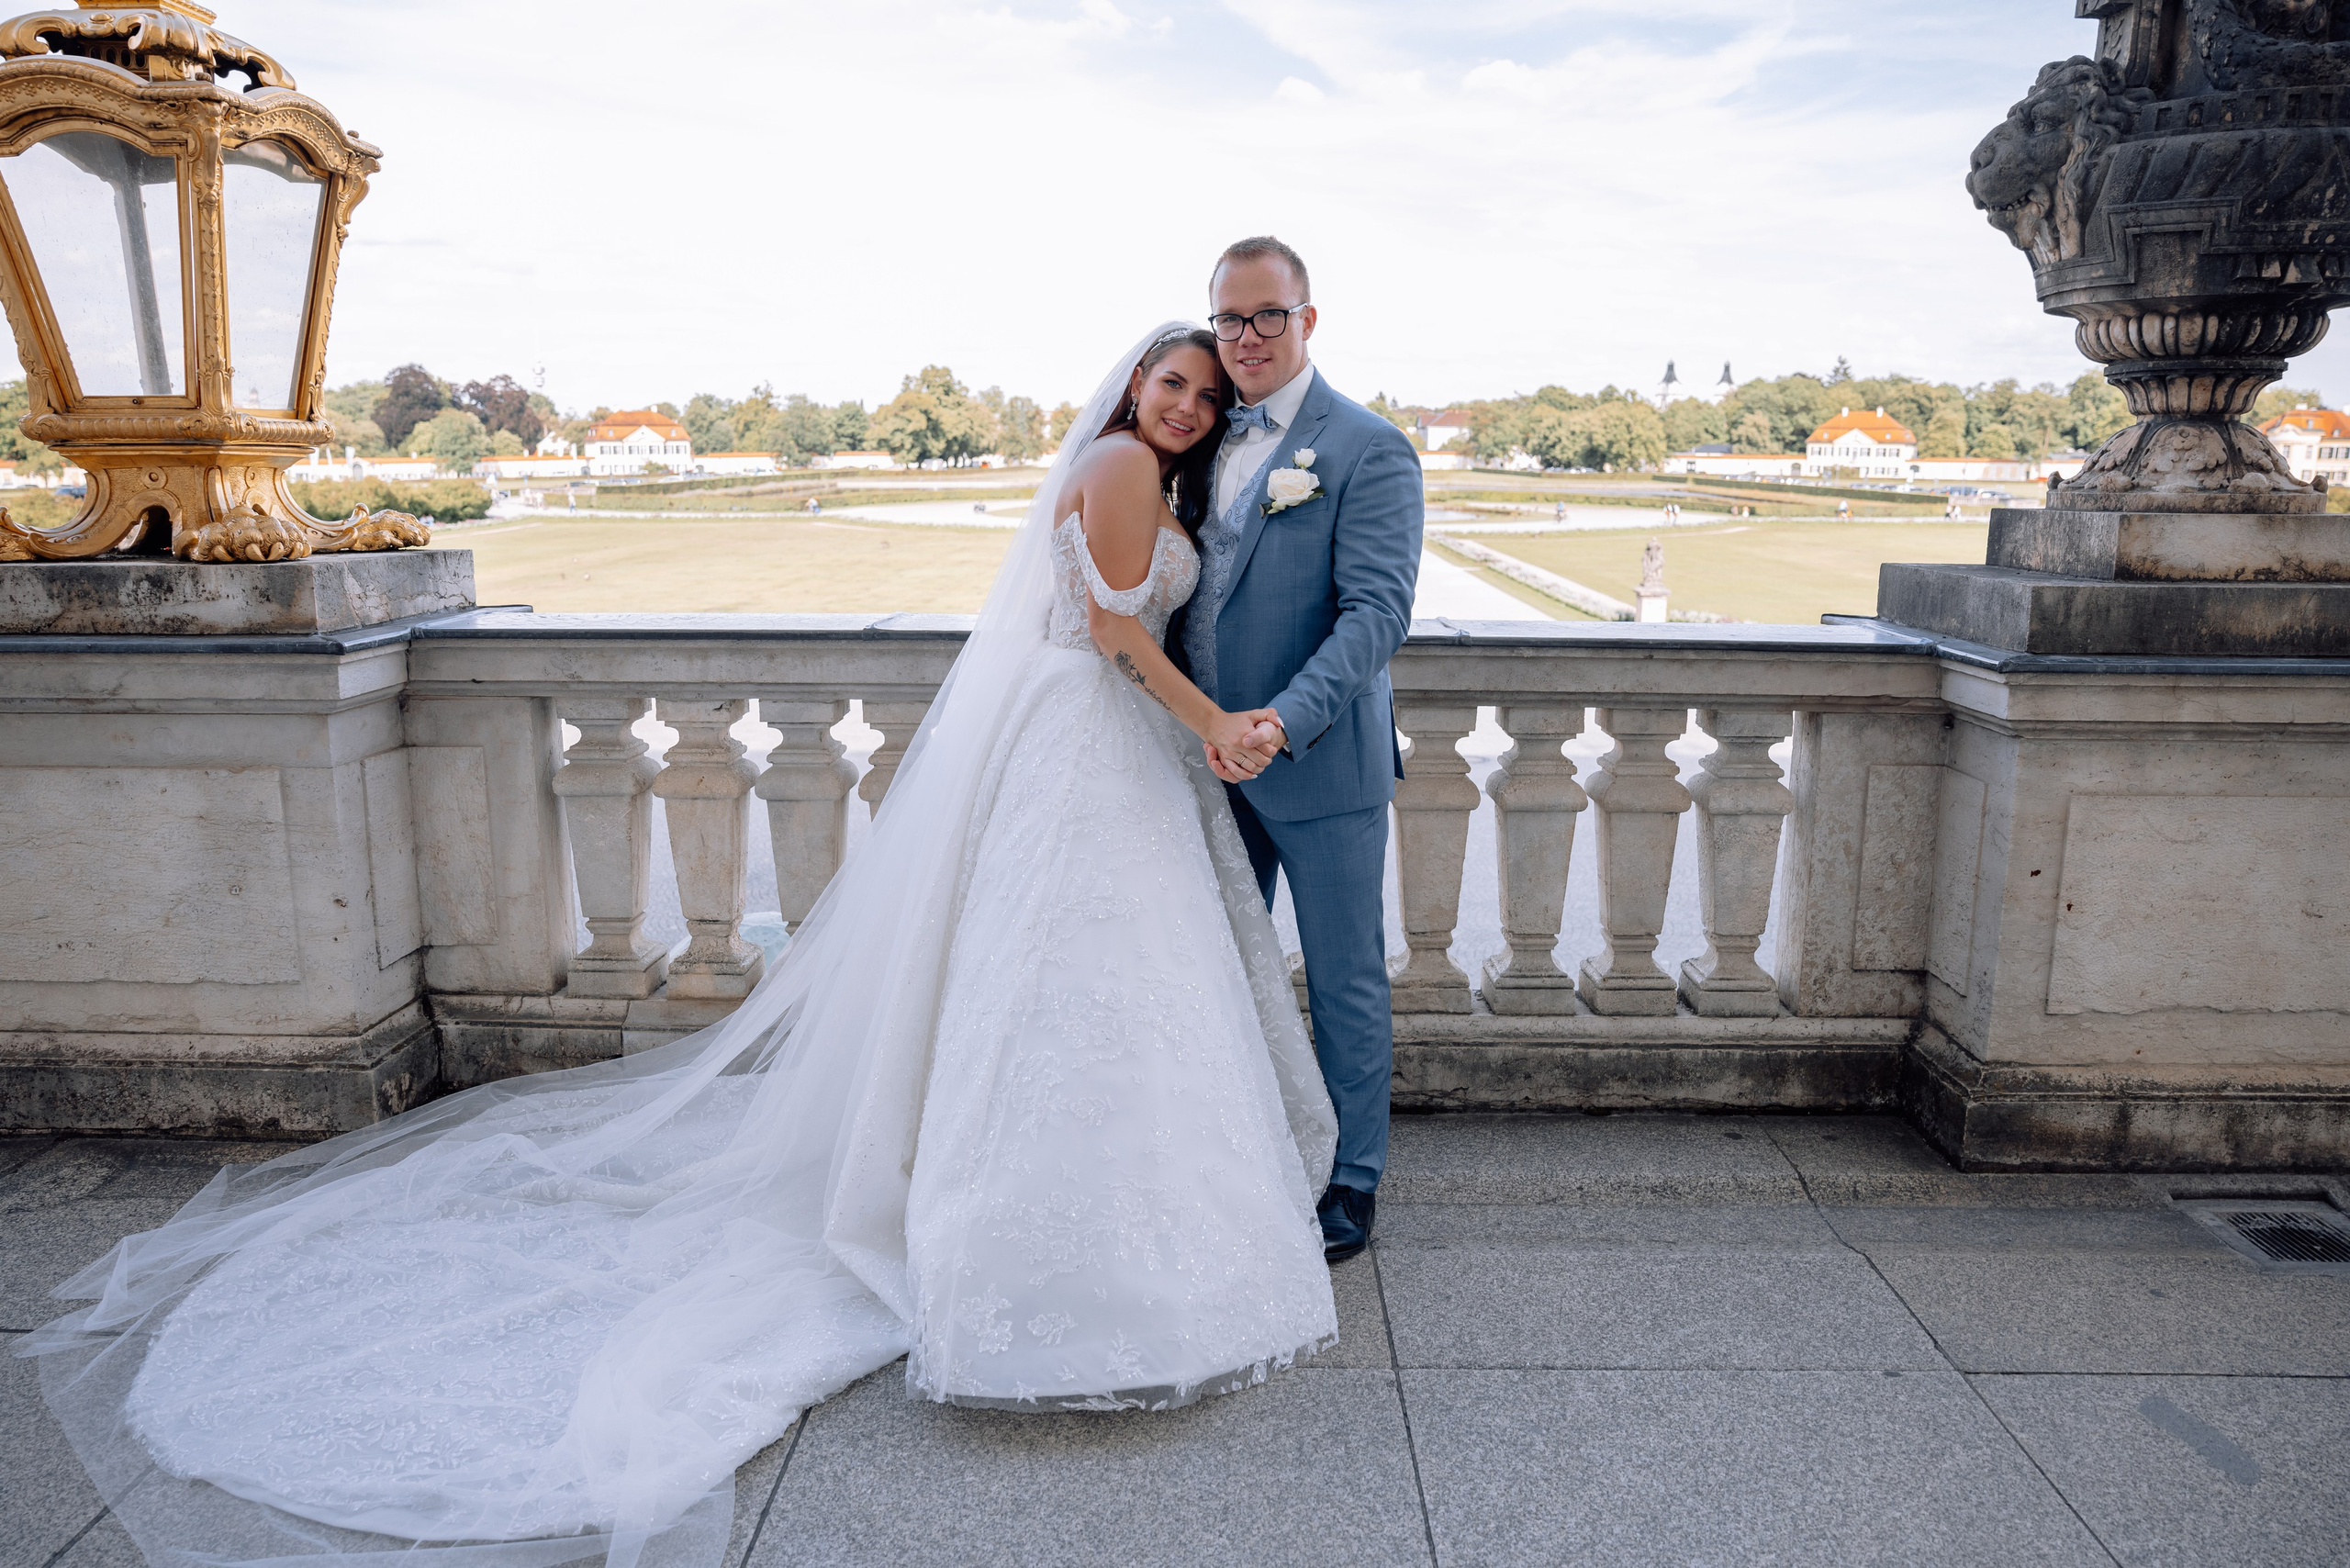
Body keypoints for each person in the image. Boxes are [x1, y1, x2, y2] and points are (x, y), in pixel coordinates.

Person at [20, 324, 1341, 1568]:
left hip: (1097, 746)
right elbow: (1113, 634)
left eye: (1206, 395)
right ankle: (1036, 1244)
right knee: (1069, 986)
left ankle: (1079, 1212)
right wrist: (1219, 725)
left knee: (1084, 992)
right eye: (1172, 383)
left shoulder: (1158, 483)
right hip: (1089, 733)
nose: (1187, 404)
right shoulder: (1119, 466)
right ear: (1129, 393)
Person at [1166, 236, 1423, 1263]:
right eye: (1229, 318)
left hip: (1315, 761)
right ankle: (1239, 1147)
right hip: (1206, 763)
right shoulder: (1195, 436)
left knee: (1345, 976)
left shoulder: (1365, 446)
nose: (1246, 338)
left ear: (1307, 320)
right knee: (1215, 967)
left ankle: (1351, 1175)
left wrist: (1280, 721)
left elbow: (1374, 615)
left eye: (1267, 315)